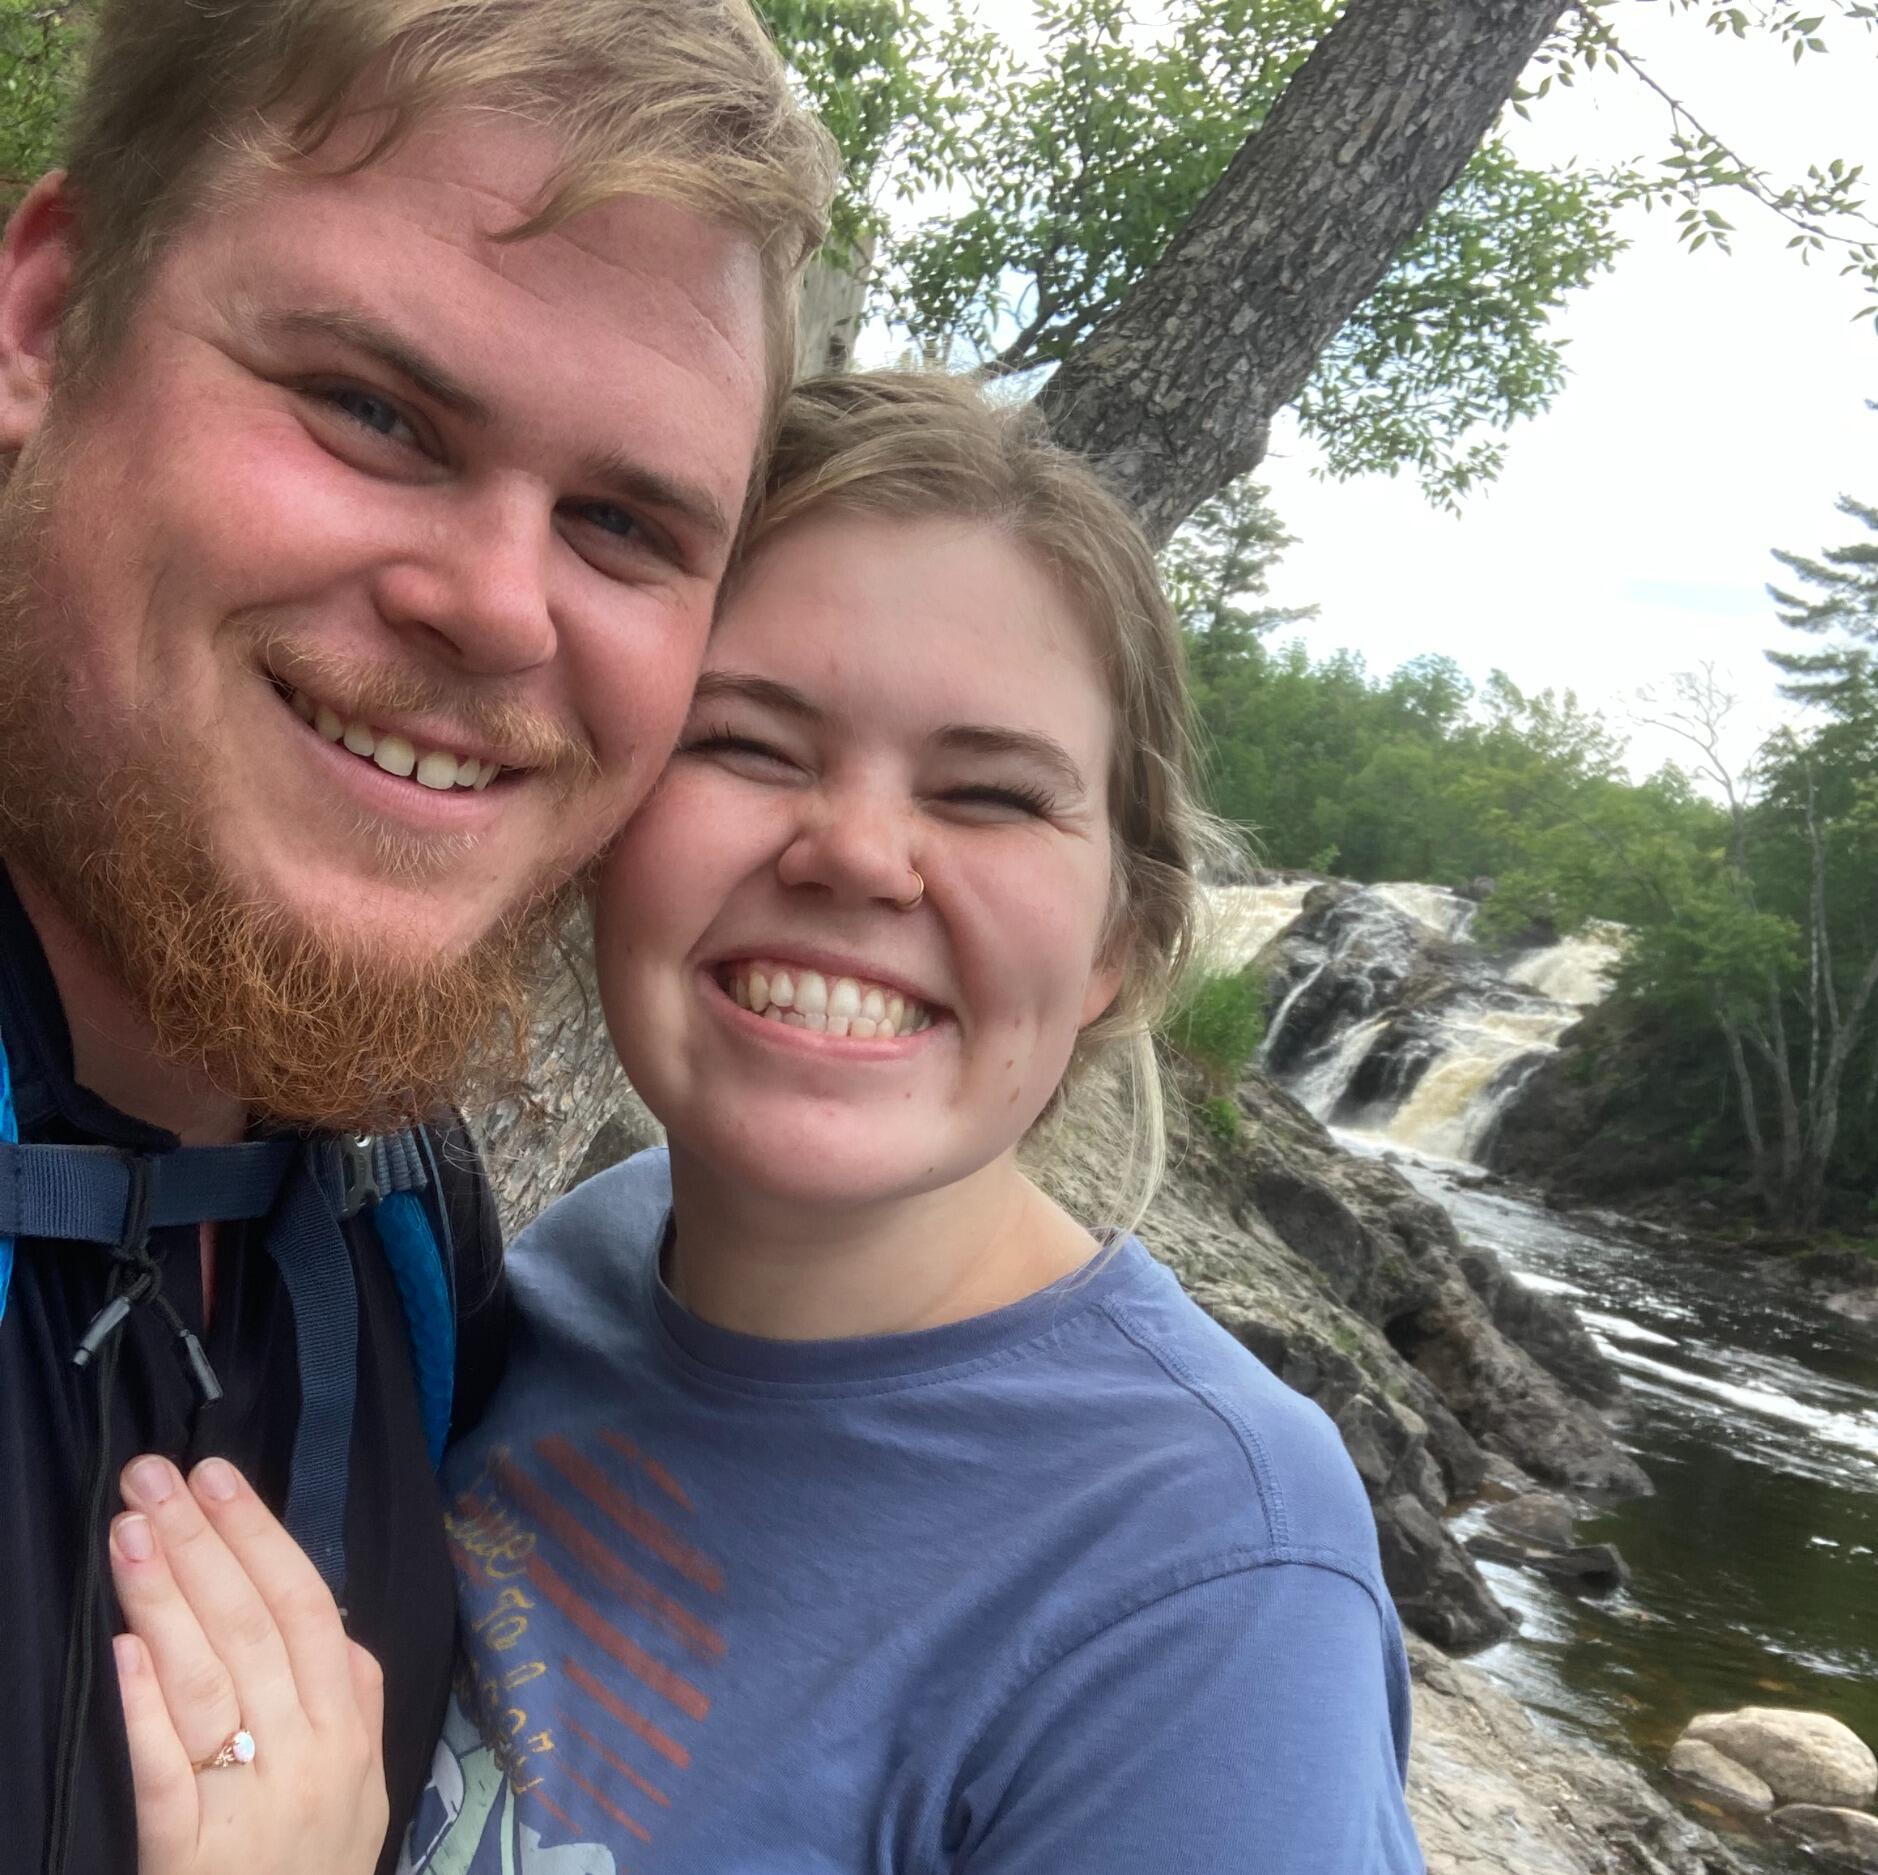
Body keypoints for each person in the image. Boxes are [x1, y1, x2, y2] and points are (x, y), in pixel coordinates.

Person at [109, 372, 1424, 1873]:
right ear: (601, 824)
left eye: (990, 794)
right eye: (745, 744)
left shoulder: (1208, 1583)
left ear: (1119, 940)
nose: (859, 854)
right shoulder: (583, 1260)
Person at [0, 0, 835, 1867]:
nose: (495, 610)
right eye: (373, 410)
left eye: (624, 524)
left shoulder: (397, 1209)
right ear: (48, 318)